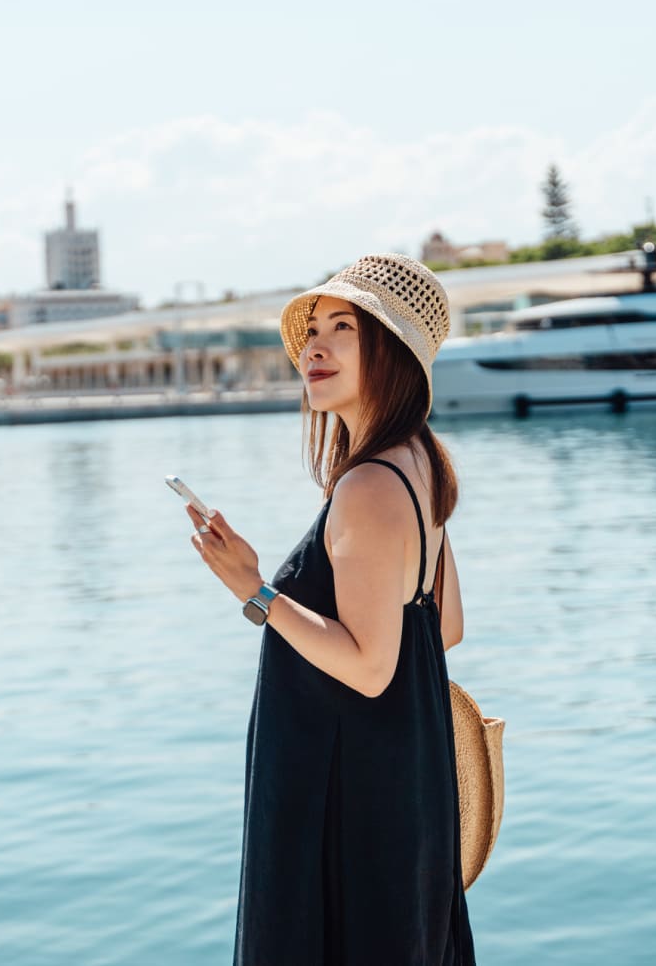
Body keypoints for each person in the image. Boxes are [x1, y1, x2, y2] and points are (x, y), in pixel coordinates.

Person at [184, 253, 474, 965]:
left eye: (342, 326)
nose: (313, 346)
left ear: (394, 352)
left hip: (345, 802)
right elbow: (445, 627)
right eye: (312, 329)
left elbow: (372, 668)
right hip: (397, 787)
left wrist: (254, 589)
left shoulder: (370, 485)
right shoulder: (418, 464)